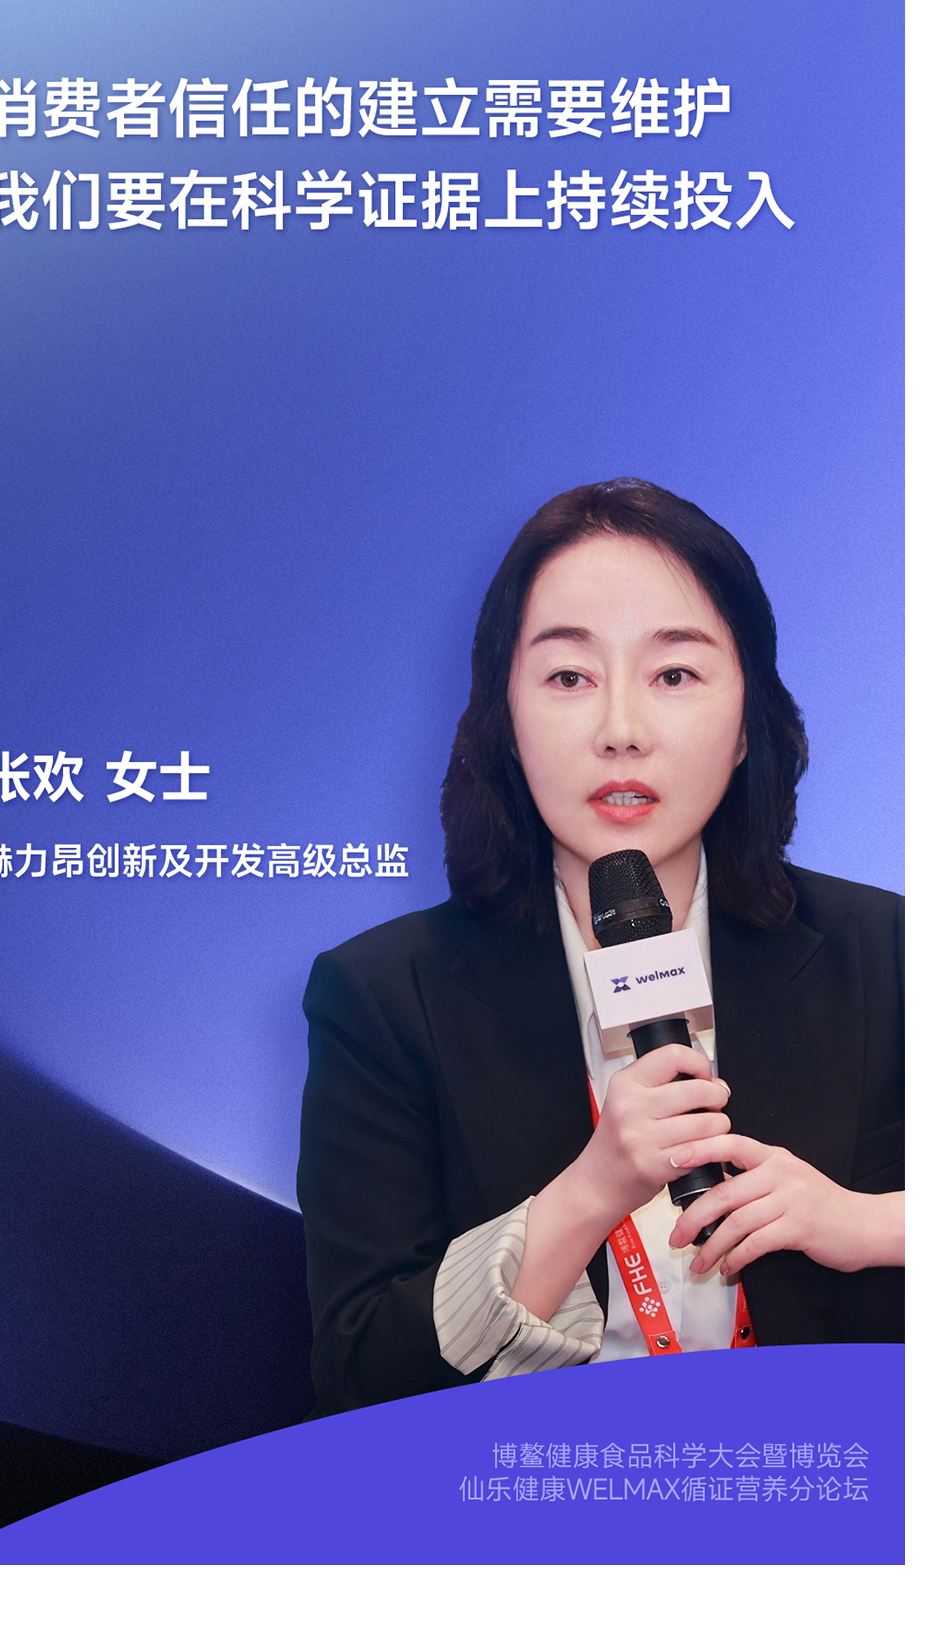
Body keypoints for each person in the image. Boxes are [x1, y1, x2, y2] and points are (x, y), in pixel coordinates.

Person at [296, 480, 904, 1416]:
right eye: (570, 677)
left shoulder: (890, 952)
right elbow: (361, 1375)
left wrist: (872, 1224)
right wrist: (590, 1191)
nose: (622, 731)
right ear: (505, 719)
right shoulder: (382, 998)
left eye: (675, 674)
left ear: (748, 723)